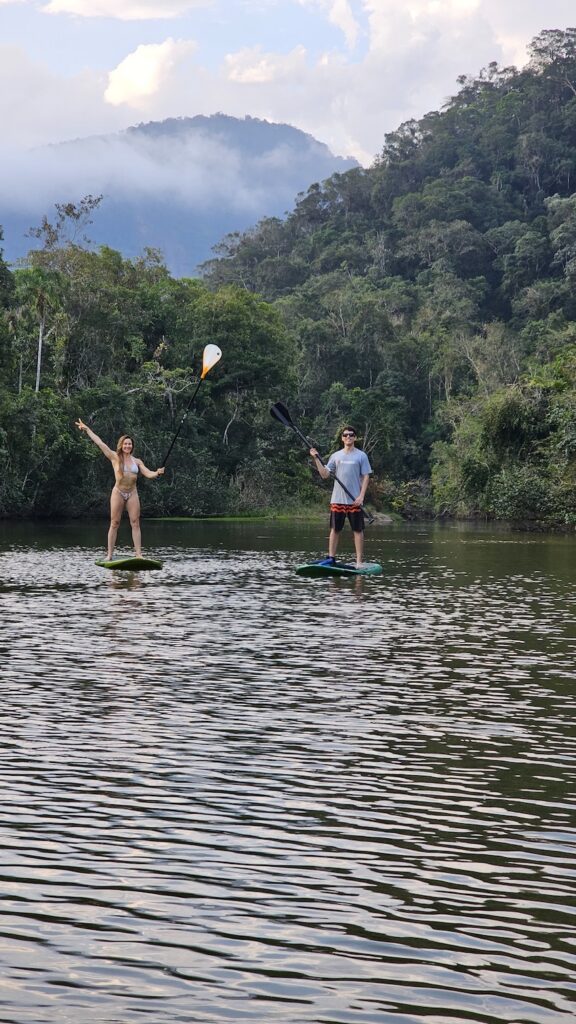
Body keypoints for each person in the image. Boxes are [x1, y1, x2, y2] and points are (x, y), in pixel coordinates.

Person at [75, 419, 165, 560]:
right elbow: (100, 443)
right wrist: (87, 429)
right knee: (114, 523)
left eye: (130, 444)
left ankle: (139, 555)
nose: (128, 446)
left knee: (135, 522)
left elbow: (148, 473)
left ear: (132, 446)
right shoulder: (115, 457)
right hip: (118, 492)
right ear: (121, 445)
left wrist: (157, 472)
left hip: (132, 493)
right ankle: (109, 555)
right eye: (125, 444)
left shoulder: (137, 461)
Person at [310, 426, 372, 567]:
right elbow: (325, 474)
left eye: (351, 435)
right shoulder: (336, 456)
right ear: (342, 438)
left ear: (355, 437)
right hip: (337, 500)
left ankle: (359, 562)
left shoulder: (361, 456)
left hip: (354, 500)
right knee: (335, 529)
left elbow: (366, 476)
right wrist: (316, 459)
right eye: (345, 435)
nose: (348, 437)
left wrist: (361, 497)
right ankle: (331, 558)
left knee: (358, 530)